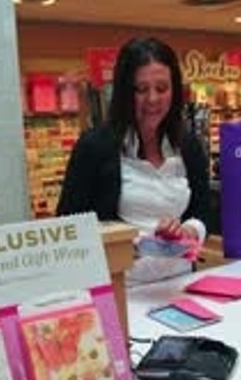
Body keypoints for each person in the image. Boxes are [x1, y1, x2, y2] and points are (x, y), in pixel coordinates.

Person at [56, 37, 210, 283]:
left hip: (181, 283)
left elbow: (203, 209)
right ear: (124, 92)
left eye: (162, 88)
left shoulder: (188, 145)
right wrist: (133, 245)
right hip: (122, 288)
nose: (152, 99)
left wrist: (188, 231)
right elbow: (69, 227)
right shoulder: (94, 147)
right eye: (141, 89)